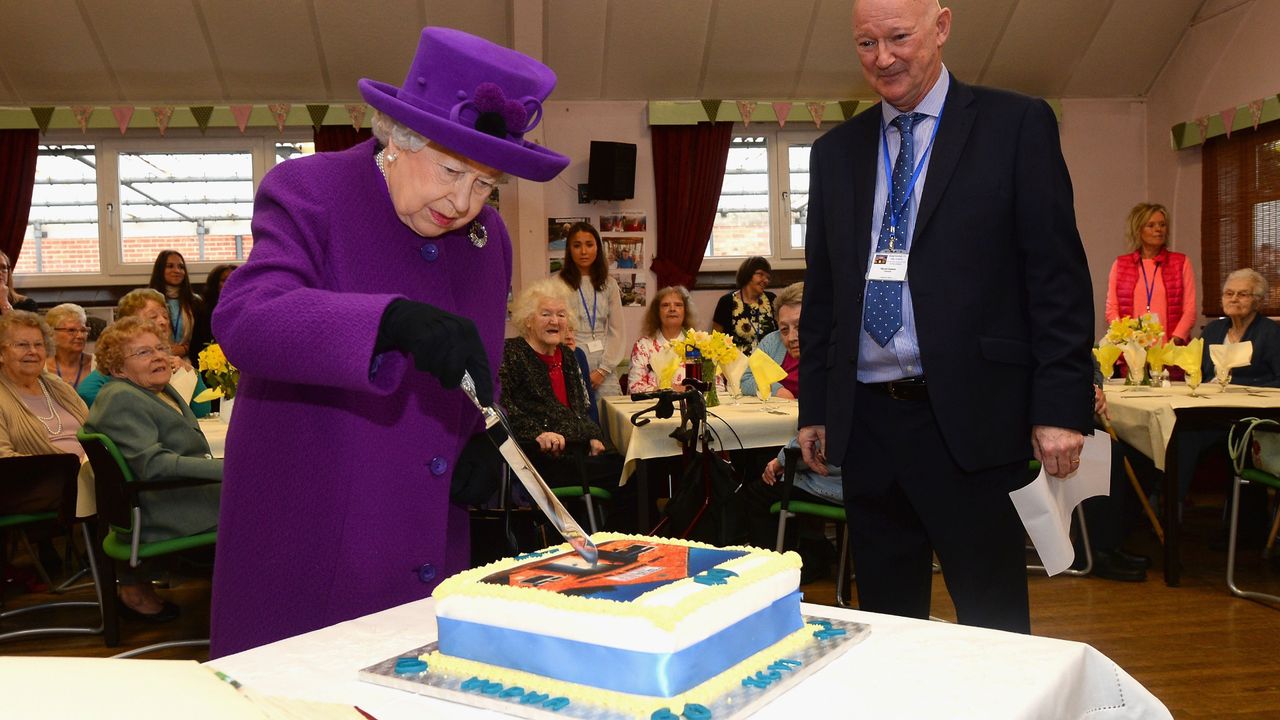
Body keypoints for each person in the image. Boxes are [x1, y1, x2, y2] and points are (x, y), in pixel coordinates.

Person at [208, 27, 569, 657]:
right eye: (452, 169)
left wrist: (491, 436)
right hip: (313, 534)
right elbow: (246, 317)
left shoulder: (491, 243)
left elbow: (473, 369)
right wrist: (387, 322)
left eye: (486, 185)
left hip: (427, 539)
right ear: (395, 138)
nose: (463, 202)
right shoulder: (312, 191)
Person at [799, 0, 1094, 633]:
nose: (883, 58)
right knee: (886, 627)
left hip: (972, 420)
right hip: (869, 425)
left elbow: (1056, 278)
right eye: (866, 44)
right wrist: (817, 409)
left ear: (942, 26)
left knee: (993, 624)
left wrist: (1059, 406)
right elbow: (825, 293)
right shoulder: (835, 153)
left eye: (899, 37)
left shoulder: (1014, 125)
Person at [85, 316, 222, 622]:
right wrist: (223, 471)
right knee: (269, 502)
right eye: (144, 352)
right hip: (162, 508)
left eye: (161, 348)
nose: (159, 356)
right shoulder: (121, 397)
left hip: (172, 496)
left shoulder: (155, 390)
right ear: (118, 368)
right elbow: (153, 464)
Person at [499, 280, 623, 500]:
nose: (554, 321)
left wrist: (594, 436)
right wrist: (538, 433)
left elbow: (581, 410)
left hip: (576, 453)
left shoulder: (567, 356)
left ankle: (608, 532)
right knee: (628, 473)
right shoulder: (511, 353)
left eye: (561, 315)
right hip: (539, 459)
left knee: (636, 470)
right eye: (545, 314)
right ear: (528, 320)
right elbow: (503, 408)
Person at [0, 311, 89, 514]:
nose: (33, 351)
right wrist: (71, 468)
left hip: (86, 474)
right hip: (30, 487)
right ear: (1, 353)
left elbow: (94, 427)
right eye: (22, 345)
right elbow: (4, 461)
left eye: (38, 345)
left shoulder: (58, 386)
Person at [78, 289, 211, 417]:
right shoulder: (116, 366)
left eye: (165, 316)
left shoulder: (173, 363)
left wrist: (191, 374)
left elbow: (202, 411)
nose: (163, 321)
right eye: (153, 317)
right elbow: (86, 394)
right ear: (127, 324)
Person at [1105, 203, 1196, 344]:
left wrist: (1174, 341)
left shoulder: (1181, 262)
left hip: (1170, 349)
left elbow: (1190, 309)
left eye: (1162, 225)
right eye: (1151, 225)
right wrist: (1125, 341)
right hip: (1132, 349)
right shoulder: (1120, 265)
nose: (1158, 229)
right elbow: (1112, 309)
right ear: (1138, 230)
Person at [557, 221, 625, 397]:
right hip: (571, 360)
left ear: (597, 247)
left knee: (608, 420)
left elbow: (617, 331)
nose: (584, 251)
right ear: (569, 250)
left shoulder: (609, 284)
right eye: (577, 245)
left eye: (589, 244)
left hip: (604, 365)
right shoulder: (557, 283)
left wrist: (603, 370)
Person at [1200, 268, 1280, 387]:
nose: (1233, 299)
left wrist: (1236, 385)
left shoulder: (1271, 333)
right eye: (1229, 293)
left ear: (1258, 302)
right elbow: (1198, 374)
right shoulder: (1212, 330)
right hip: (1210, 400)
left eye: (1242, 294)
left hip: (1252, 402)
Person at [627, 285, 697, 393]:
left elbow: (716, 387)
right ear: (657, 312)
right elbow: (635, 387)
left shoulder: (698, 345)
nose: (672, 309)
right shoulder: (643, 346)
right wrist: (670, 391)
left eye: (678, 305)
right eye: (665, 305)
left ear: (685, 311)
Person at [741, 282, 803, 399]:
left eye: (799, 326)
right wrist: (777, 390)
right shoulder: (772, 341)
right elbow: (746, 379)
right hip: (783, 414)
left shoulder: (831, 348)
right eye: (784, 329)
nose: (791, 338)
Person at [712, 256, 776, 353]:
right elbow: (716, 340)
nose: (765, 280)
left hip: (769, 361)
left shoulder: (772, 299)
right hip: (737, 364)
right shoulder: (727, 302)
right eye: (760, 274)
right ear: (747, 274)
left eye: (767, 277)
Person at [148, 250, 202, 361]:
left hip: (188, 362)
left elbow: (201, 339)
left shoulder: (195, 302)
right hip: (154, 360)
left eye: (181, 267)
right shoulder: (148, 301)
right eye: (170, 266)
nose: (177, 270)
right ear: (160, 270)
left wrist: (185, 349)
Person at [189, 264, 237, 358]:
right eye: (224, 280)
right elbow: (197, 347)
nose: (230, 283)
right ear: (215, 284)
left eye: (233, 279)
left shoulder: (246, 309)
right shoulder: (203, 311)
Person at [44, 303, 94, 391]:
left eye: (83, 330)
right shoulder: (41, 368)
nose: (80, 336)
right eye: (71, 330)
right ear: (51, 333)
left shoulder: (99, 365)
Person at [0, 250, 38, 314]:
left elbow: (14, 324)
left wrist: (4, 302)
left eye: (4, 268)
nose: (0, 272)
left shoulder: (26, 304)